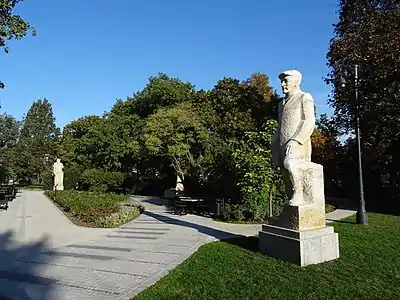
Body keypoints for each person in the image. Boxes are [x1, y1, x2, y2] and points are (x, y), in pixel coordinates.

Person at [271, 70, 316, 206]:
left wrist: (296, 140)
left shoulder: (304, 97)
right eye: (282, 82)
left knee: (289, 163)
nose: (283, 84)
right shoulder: (281, 104)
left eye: (286, 81)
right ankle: (291, 195)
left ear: (297, 82)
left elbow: (309, 121)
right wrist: (274, 140)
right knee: (283, 169)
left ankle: (299, 194)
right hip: (283, 142)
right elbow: (281, 125)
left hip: (299, 144)